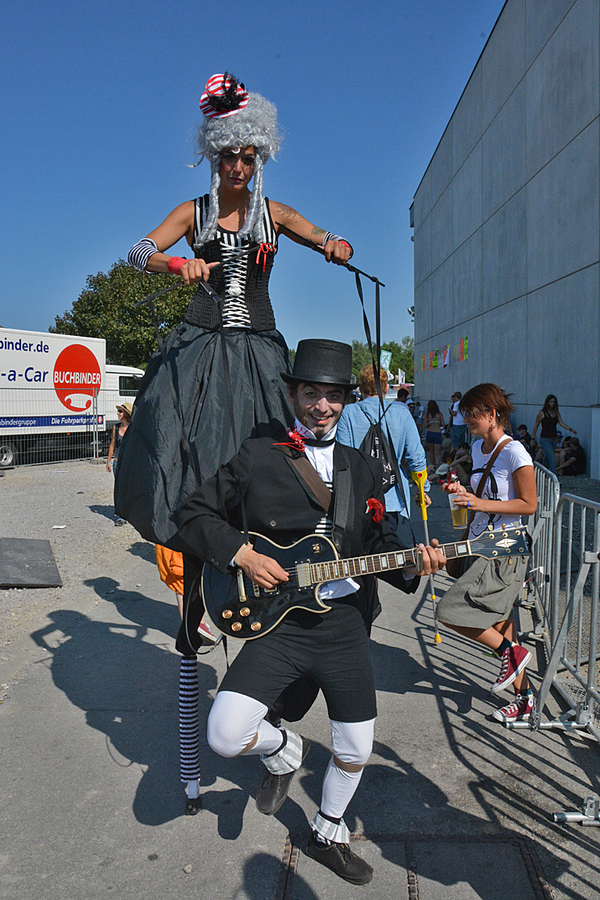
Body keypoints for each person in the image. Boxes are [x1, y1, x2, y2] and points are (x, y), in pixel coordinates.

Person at [115, 73, 354, 814]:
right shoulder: (190, 213)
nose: (239, 168)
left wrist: (337, 244)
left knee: (272, 456)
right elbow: (135, 252)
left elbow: (321, 236)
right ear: (214, 158)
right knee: (184, 458)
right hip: (198, 349)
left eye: (249, 158)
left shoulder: (273, 215)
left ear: (259, 157)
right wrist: (173, 262)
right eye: (229, 159)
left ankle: (281, 587)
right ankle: (195, 552)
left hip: (256, 355)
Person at [176, 339, 445, 885]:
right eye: (311, 394)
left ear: (346, 401)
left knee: (356, 746)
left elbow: (379, 542)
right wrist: (243, 554)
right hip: (279, 622)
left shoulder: (361, 468)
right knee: (226, 734)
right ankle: (284, 752)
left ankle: (327, 831)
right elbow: (192, 512)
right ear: (294, 395)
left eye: (332, 396)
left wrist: (416, 565)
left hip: (344, 624)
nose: (321, 406)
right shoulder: (259, 455)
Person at [437, 384, 537, 724]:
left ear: (492, 414)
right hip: (479, 544)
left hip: (505, 548)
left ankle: (512, 653)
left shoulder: (515, 452)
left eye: (472, 414)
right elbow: (484, 495)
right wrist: (464, 494)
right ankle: (524, 699)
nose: (467, 421)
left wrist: (481, 503)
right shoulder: (479, 449)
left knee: (449, 610)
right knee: (500, 624)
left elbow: (529, 504)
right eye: (465, 415)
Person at [336, 364, 429, 533]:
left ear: (361, 388)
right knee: (385, 547)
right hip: (390, 499)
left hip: (358, 499)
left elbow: (342, 456)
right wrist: (423, 489)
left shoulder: (348, 413)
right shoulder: (401, 413)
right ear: (386, 388)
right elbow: (416, 457)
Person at [531, 395, 577, 476]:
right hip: (545, 438)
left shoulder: (556, 413)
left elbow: (561, 423)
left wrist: (570, 429)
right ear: (547, 402)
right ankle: (555, 479)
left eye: (553, 402)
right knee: (552, 458)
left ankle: (542, 473)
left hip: (554, 439)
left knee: (547, 458)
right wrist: (532, 438)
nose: (552, 404)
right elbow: (536, 426)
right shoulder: (542, 413)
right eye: (550, 402)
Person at [106, 402, 132, 526]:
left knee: (131, 488)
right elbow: (112, 444)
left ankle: (132, 513)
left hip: (130, 463)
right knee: (120, 489)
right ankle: (121, 516)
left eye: (120, 411)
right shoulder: (116, 428)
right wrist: (108, 461)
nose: (118, 413)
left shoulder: (133, 428)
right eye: (118, 411)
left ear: (126, 413)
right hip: (118, 462)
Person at [422, 400, 445, 467]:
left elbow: (424, 425)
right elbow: (443, 425)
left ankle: (433, 465)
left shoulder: (427, 414)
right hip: (437, 433)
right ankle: (437, 465)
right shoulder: (440, 414)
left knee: (431, 452)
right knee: (437, 452)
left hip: (430, 433)